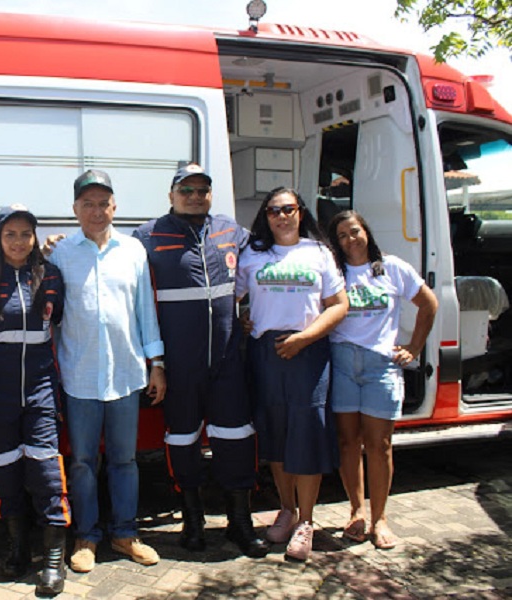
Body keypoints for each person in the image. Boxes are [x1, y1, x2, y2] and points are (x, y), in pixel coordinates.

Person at [133, 164, 269, 558]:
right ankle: (192, 521)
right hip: (179, 367)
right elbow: (110, 262)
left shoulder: (231, 232)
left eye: (202, 190)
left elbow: (273, 253)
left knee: (236, 439)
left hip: (227, 362)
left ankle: (239, 523)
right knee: (181, 441)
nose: (195, 196)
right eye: (186, 189)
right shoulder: (147, 236)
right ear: (171, 193)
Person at [48, 169, 166, 574]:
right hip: (79, 377)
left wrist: (158, 365)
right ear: (75, 209)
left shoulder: (133, 251)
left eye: (103, 203)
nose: (96, 211)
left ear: (115, 207)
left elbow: (145, 314)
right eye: (87, 204)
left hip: (127, 374)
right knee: (81, 461)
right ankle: (86, 537)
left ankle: (126, 533)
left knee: (125, 460)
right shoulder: (61, 254)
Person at [236, 187, 348, 562]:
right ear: (265, 216)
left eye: (288, 209)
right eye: (273, 210)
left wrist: (305, 338)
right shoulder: (252, 254)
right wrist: (242, 319)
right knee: (276, 433)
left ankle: (307, 521)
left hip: (308, 353)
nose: (281, 216)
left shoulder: (318, 253)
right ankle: (286, 509)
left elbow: (339, 306)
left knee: (307, 435)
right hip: (265, 352)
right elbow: (232, 299)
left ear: (301, 212)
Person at [0, 204, 70, 596]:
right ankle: (17, 547)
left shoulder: (51, 274)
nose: (18, 241)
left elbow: (61, 319)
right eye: (10, 234)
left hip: (42, 383)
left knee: (45, 468)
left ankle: (54, 561)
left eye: (26, 233)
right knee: (4, 466)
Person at [327, 210, 438, 550]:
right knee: (348, 444)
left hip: (381, 367)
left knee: (380, 446)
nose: (350, 239)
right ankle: (356, 511)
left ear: (366, 232)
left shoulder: (393, 267)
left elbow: (428, 303)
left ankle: (380, 519)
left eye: (354, 231)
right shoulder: (333, 272)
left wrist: (414, 347)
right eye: (342, 235)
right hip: (342, 362)